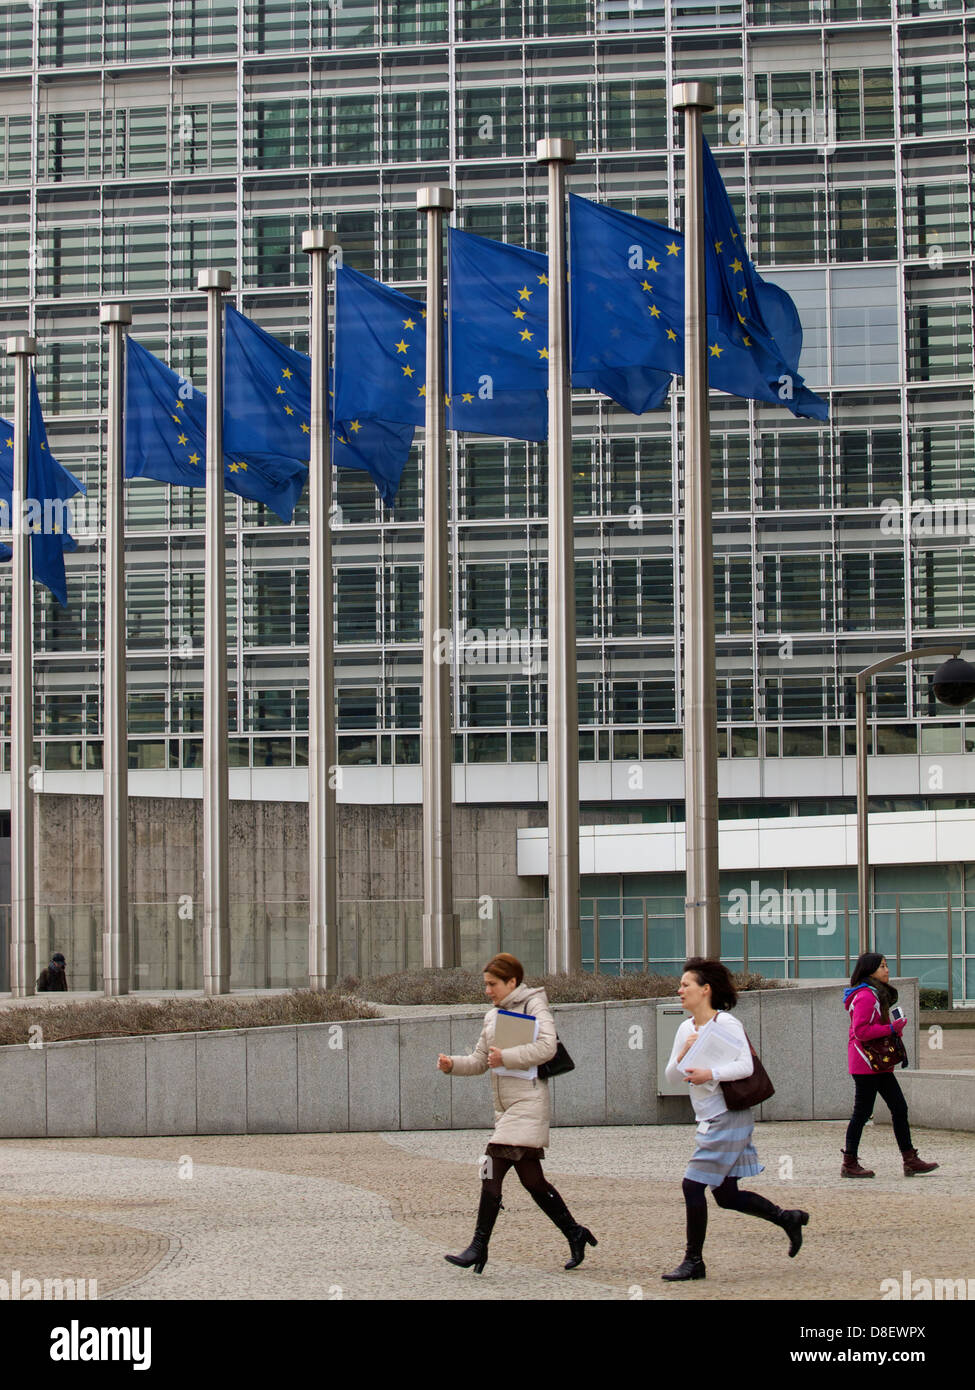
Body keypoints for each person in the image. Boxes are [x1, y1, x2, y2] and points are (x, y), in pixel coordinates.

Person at [436, 952, 597, 1274]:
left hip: (528, 1102)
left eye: (493, 984)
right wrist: (453, 1064)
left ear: (512, 982)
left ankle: (478, 1247)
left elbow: (547, 1048)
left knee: (491, 1166)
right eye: (485, 985)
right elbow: (482, 1060)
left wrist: (507, 1056)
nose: (487, 991)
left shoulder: (534, 1004)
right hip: (507, 1107)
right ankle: (575, 1233)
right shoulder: (493, 1015)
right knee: (533, 1181)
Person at [661, 957, 809, 1282]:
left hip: (729, 1115)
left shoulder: (726, 1024)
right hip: (710, 1117)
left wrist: (709, 1073)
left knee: (692, 1186)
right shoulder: (685, 1028)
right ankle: (788, 1219)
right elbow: (671, 1077)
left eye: (686, 984)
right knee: (726, 1196)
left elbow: (745, 1067)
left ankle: (694, 1262)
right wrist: (685, 1053)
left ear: (706, 990)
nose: (680, 989)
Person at [841, 952, 938, 1178]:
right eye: (882, 966)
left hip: (878, 1063)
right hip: (866, 1063)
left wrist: (892, 1027)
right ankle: (849, 1163)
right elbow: (861, 1031)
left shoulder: (874, 994)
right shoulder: (866, 996)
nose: (887, 970)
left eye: (886, 965)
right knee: (862, 1112)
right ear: (870, 971)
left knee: (899, 1107)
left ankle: (910, 1159)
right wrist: (892, 1028)